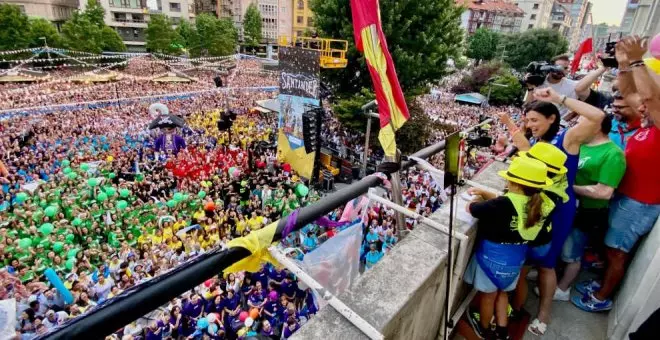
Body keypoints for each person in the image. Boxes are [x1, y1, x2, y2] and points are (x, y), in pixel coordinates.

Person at [497, 86, 605, 335]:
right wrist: (509, 124)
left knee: (546, 264)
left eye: (534, 120)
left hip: (557, 210)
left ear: (552, 118)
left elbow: (598, 117)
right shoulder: (540, 140)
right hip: (534, 205)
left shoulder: (568, 138)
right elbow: (526, 149)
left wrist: (559, 98)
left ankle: (544, 312)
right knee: (525, 261)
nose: (530, 125)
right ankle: (517, 306)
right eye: (527, 120)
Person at [572, 35, 660, 312]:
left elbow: (648, 96)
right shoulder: (648, 125)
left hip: (639, 204)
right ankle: (600, 285)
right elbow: (632, 95)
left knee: (616, 252)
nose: (641, 106)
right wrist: (623, 66)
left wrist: (635, 61)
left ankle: (601, 298)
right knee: (609, 247)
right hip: (628, 198)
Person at [464, 156, 556, 340]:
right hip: (516, 261)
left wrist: (476, 197)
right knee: (503, 293)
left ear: (513, 182)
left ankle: (484, 329)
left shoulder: (501, 205)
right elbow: (514, 204)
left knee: (488, 296)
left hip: (491, 260)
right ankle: (502, 330)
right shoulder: (542, 204)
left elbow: (471, 208)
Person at [552, 115, 626, 300]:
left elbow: (604, 192)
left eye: (579, 124)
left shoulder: (613, 155)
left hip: (587, 212)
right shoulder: (581, 145)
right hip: (567, 206)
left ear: (595, 127)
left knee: (572, 252)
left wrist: (568, 187)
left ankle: (562, 289)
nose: (574, 127)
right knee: (559, 243)